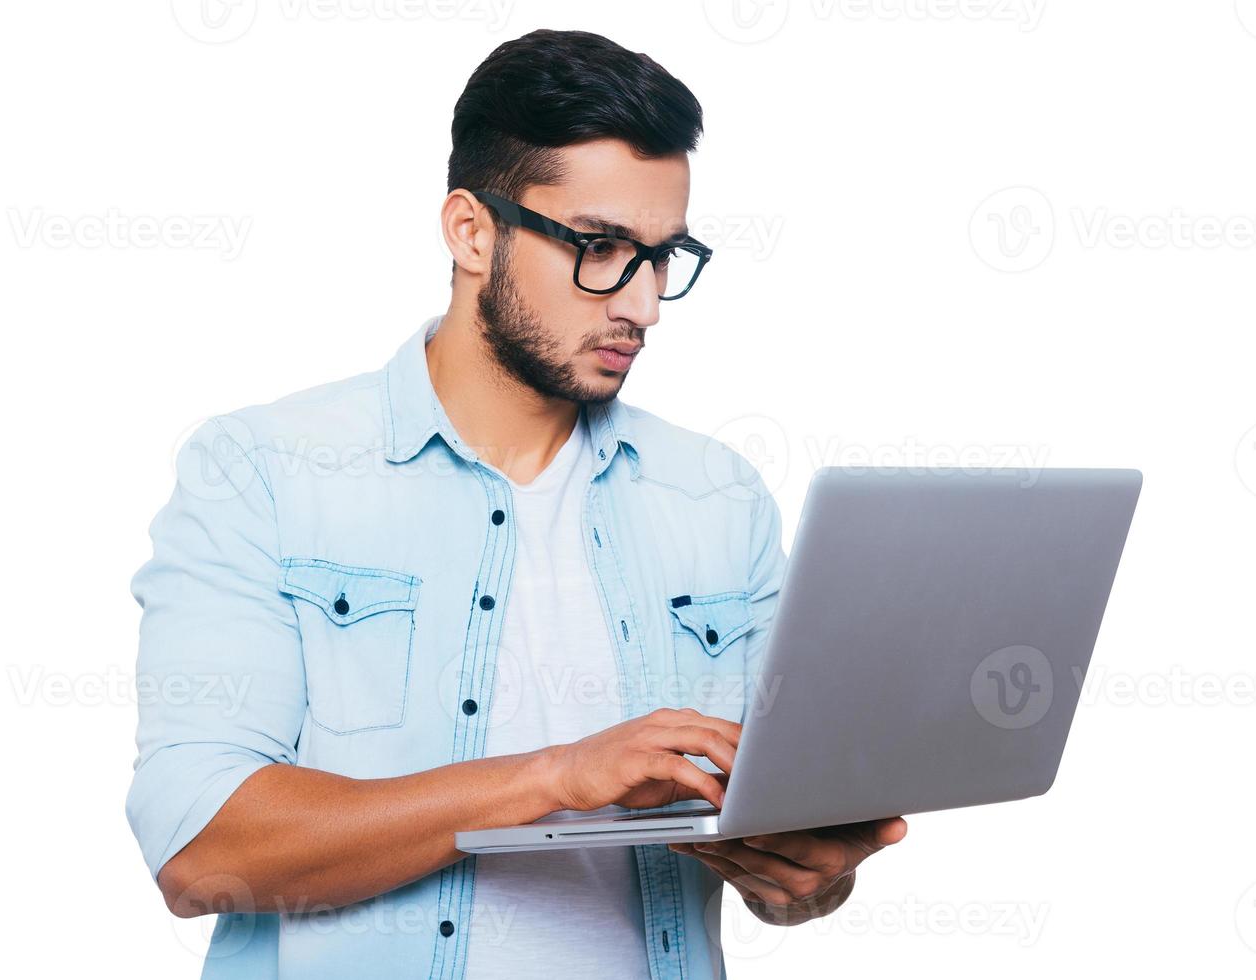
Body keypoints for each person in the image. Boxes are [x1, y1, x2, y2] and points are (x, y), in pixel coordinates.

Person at [125, 27, 905, 980]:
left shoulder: (717, 497)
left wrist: (805, 878)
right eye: (601, 247)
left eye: (663, 256)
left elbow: (786, 857)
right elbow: (202, 849)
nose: (643, 305)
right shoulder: (261, 471)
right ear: (471, 231)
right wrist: (554, 777)